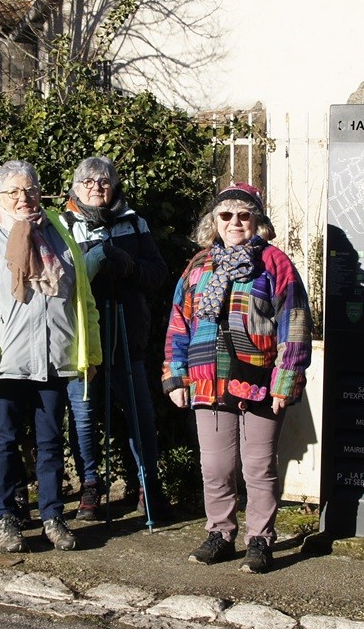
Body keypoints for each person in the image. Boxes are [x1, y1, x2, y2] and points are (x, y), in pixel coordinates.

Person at [0, 161, 101, 553]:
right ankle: (5, 517)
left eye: (30, 190)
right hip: (6, 361)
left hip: (55, 357)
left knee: (50, 442)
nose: (23, 198)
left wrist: (91, 353)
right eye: (13, 192)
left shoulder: (59, 233)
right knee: (3, 441)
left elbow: (83, 300)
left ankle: (52, 516)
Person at [164, 183, 312, 574]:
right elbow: (179, 323)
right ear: (214, 221)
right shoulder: (197, 266)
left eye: (243, 215)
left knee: (258, 466)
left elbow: (294, 324)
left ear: (257, 221)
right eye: (226, 215)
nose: (234, 222)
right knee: (215, 466)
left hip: (260, 378)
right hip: (207, 378)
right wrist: (175, 376)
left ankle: (260, 539)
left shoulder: (275, 263)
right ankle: (220, 533)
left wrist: (286, 381)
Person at [59, 156, 172, 523]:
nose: (97, 187)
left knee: (140, 413)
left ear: (114, 187)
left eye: (104, 182)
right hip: (82, 339)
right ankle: (90, 486)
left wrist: (128, 265)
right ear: (75, 187)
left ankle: (148, 485)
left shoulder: (134, 223)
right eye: (88, 181)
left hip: (128, 334)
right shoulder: (61, 225)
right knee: (84, 415)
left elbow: (157, 274)